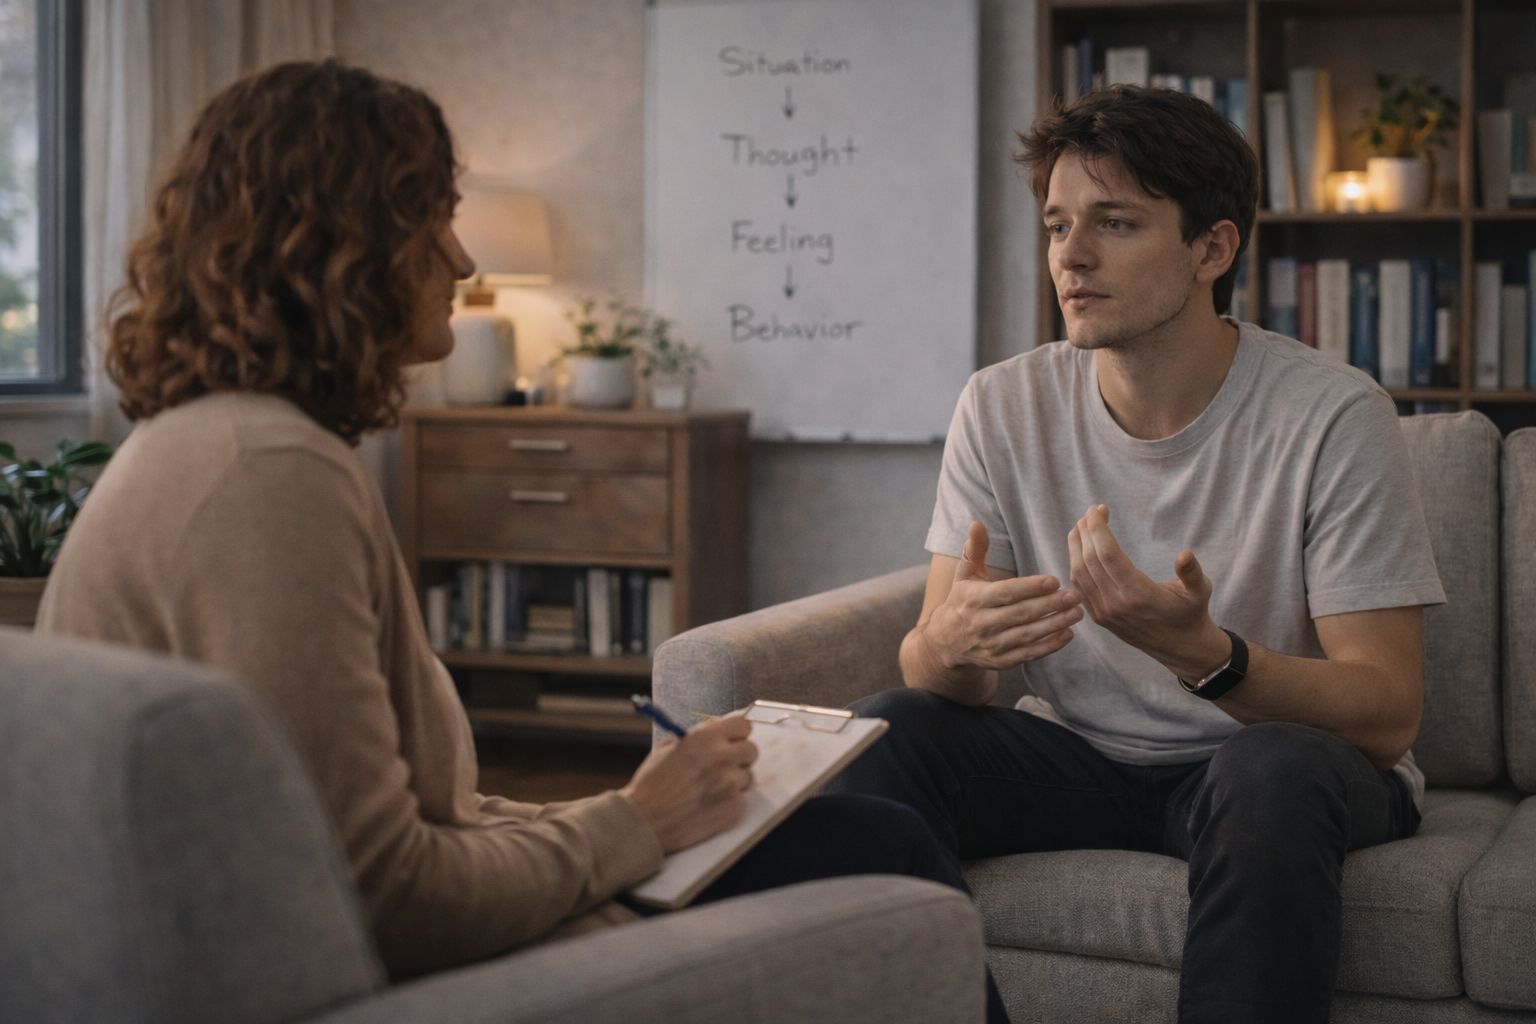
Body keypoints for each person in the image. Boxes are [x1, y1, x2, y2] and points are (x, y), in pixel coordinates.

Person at [36, 60, 1009, 1021]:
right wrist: (635, 822)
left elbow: (404, 819)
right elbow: (387, 895)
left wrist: (627, 812)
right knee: (885, 852)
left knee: (855, 826)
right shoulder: (270, 480)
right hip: (409, 969)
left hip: (401, 920)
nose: (463, 263)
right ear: (348, 244)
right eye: (436, 220)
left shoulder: (215, 446)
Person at [824, 85, 1445, 1024]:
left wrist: (1209, 658)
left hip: (1265, 768)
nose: (1070, 255)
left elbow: (1389, 715)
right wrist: (952, 646)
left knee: (1268, 772)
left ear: (1212, 250)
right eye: (1058, 224)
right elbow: (929, 669)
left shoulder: (1334, 415)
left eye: (1114, 223)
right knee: (883, 733)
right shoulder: (1001, 405)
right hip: (1079, 760)